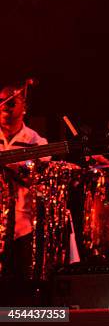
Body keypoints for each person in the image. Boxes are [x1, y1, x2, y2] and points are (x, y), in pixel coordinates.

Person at [0, 84, 48, 279]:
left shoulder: (36, 142)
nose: (5, 107)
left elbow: (39, 181)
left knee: (19, 286)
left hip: (23, 227)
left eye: (11, 103)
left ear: (24, 107)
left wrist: (12, 167)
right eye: (1, 102)